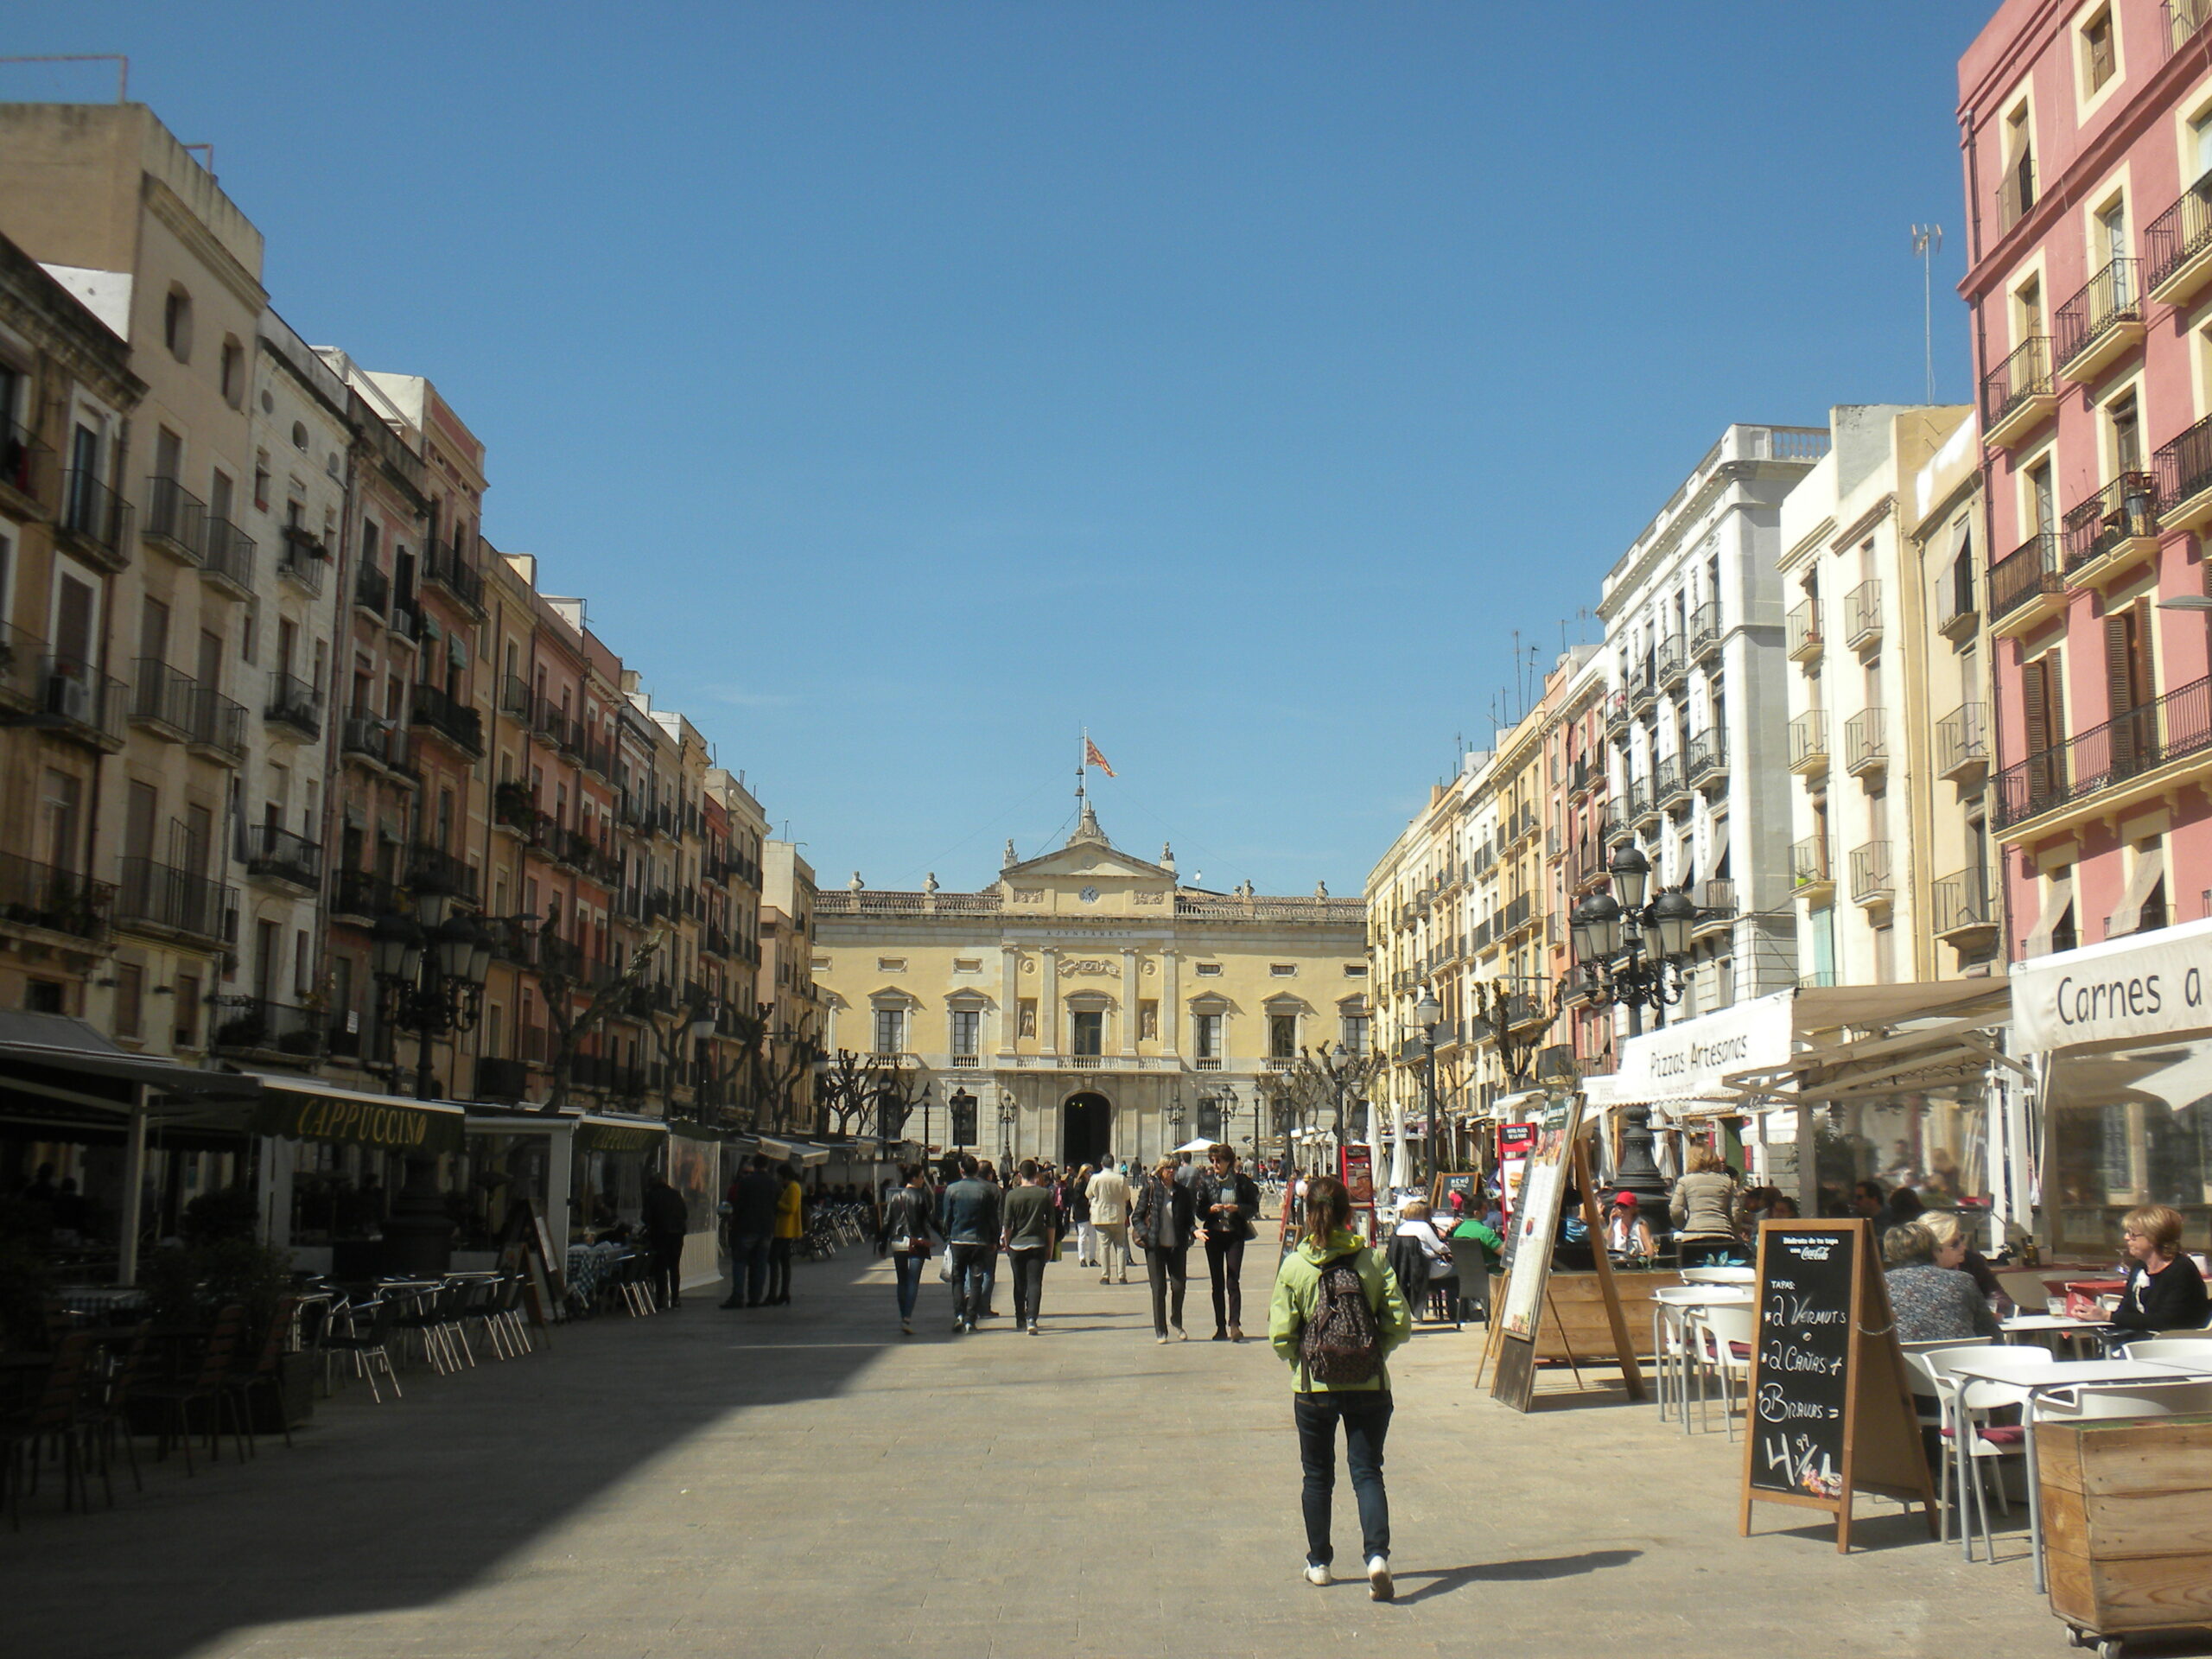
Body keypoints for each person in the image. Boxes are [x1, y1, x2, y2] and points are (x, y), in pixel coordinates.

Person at [1268, 1173, 1412, 1600]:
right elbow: (1400, 1323)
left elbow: (1280, 1334)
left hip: (1314, 1387)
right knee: (1367, 1471)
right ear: (1349, 1213)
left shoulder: (1295, 1265)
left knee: (1317, 1476)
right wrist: (1374, 1353)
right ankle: (1377, 1557)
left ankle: (1319, 1563)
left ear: (1306, 1212)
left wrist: (1303, 1361)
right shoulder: (1371, 1260)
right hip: (1370, 1385)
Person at [1883, 1220, 1999, 1343]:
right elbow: (1991, 1334)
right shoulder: (1962, 1280)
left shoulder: (1883, 1284)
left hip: (1908, 1354)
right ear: (1935, 1249)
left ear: (1891, 1254)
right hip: (1958, 1353)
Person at [2110, 1204, 2211, 1335]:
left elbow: (2167, 1321)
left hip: (2177, 1341)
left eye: (2132, 1234)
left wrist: (2109, 1317)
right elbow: (2126, 1311)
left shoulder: (2181, 1269)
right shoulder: (2139, 1267)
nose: (2126, 1237)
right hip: (2143, 1337)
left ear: (2153, 1238)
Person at [1197, 1143, 1261, 1341]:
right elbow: (1199, 1212)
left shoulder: (1241, 1182)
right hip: (1214, 1236)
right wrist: (1210, 1209)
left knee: (1233, 1280)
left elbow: (1253, 1208)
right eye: (1213, 1161)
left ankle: (1234, 1324)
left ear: (1229, 1162)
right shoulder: (1206, 1182)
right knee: (1217, 1283)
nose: (1215, 1164)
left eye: (1219, 1161)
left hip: (1234, 1235)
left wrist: (1237, 1208)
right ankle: (1220, 1327)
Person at [1131, 1156, 1198, 1343]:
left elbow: (1188, 1220)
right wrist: (1147, 1235)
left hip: (1177, 1246)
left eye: (1174, 1168)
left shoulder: (1182, 1192)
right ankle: (1161, 1330)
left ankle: (1176, 1321)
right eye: (1168, 1168)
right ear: (1161, 1169)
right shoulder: (1151, 1189)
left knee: (1179, 1286)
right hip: (1155, 1247)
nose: (1172, 1171)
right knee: (1159, 1289)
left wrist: (1194, 1230)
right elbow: (1136, 1217)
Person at [876, 1164, 943, 1336]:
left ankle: (903, 1315)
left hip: (898, 1241)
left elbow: (887, 1222)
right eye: (921, 1177)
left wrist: (882, 1244)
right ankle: (907, 1317)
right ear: (914, 1178)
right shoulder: (922, 1196)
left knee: (902, 1281)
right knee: (913, 1281)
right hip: (917, 1241)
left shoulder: (895, 1197)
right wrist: (945, 1236)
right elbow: (932, 1220)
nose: (922, 1180)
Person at [939, 1154, 1002, 1334]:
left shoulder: (952, 1189)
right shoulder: (986, 1190)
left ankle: (959, 1314)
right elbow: (992, 1218)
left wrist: (948, 1237)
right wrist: (994, 1240)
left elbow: (947, 1217)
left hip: (958, 1240)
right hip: (979, 1241)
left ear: (961, 1171)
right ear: (976, 1170)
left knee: (958, 1279)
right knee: (976, 1281)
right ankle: (970, 1319)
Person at [1001, 1160, 1058, 1335]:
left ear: (1020, 1175)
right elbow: (1051, 1224)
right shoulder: (1044, 1194)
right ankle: (1032, 1319)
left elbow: (1008, 1224)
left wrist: (1007, 1243)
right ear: (1036, 1174)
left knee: (1019, 1283)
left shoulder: (1012, 1195)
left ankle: (1020, 1318)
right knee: (1035, 1282)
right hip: (1037, 1244)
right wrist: (1050, 1246)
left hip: (1017, 1245)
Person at [720, 1155, 781, 1309]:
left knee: (740, 1262)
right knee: (760, 1264)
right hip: (766, 1228)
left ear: (754, 1165)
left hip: (746, 1227)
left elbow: (739, 1205)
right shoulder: (773, 1183)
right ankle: (755, 1297)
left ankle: (738, 1296)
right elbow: (776, 1206)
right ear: (767, 1165)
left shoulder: (745, 1183)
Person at [1669, 1149, 1746, 1268]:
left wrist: (1683, 1225)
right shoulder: (1727, 1181)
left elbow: (1675, 1209)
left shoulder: (1685, 1181)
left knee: (1694, 1273)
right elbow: (1735, 1211)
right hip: (1722, 1234)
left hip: (1694, 1235)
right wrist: (1734, 1230)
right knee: (1722, 1274)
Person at [640, 1172, 691, 1310]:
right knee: (674, 1267)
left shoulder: (651, 1195)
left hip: (660, 1235)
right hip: (677, 1234)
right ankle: (675, 1299)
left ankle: (660, 1300)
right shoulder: (676, 1194)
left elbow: (646, 1217)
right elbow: (684, 1214)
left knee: (661, 1268)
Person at [1086, 1158, 1134, 1284]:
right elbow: (1127, 1196)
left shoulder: (1095, 1178)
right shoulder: (1121, 1179)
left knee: (1104, 1247)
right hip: (1118, 1215)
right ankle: (1122, 1276)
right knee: (1120, 1246)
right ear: (1113, 1165)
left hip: (1101, 1216)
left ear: (1101, 1164)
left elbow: (1088, 1194)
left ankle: (1105, 1276)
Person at [767, 1163, 804, 1306]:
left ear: (785, 1176)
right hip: (784, 1229)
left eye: (780, 1176)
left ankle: (776, 1293)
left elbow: (791, 1208)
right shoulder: (791, 1187)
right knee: (784, 1261)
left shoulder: (793, 1187)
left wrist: (777, 1203)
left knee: (775, 1260)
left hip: (785, 1230)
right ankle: (783, 1293)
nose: (778, 1179)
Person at [1604, 1191, 1655, 1261]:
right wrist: (1611, 1223)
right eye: (1618, 1206)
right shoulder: (1615, 1224)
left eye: (1624, 1207)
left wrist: (1638, 1256)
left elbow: (1650, 1252)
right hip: (1618, 1264)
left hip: (1636, 1264)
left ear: (1633, 1209)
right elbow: (1605, 1245)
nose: (1620, 1209)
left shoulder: (1640, 1225)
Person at [1069, 1163, 1096, 1267]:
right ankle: (1082, 1258)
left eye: (1092, 1172)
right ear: (1083, 1173)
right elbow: (1076, 1200)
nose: (1090, 1174)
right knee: (1083, 1236)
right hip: (1082, 1213)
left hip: (1092, 1213)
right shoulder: (1080, 1184)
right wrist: (1088, 1202)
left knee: (1093, 1236)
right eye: (1088, 1172)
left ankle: (1092, 1258)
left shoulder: (1093, 1183)